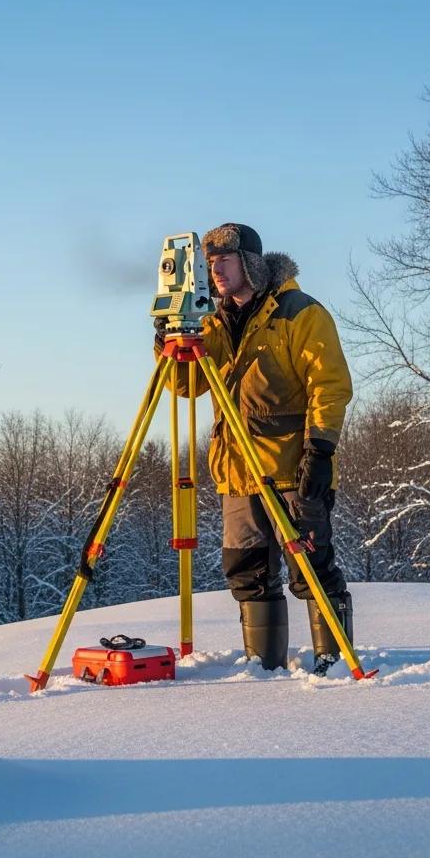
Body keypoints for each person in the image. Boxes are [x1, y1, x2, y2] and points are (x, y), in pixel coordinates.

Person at [155, 223, 354, 674]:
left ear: (251, 263)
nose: (215, 271)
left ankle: (334, 658)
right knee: (247, 572)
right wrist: (167, 341)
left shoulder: (300, 313)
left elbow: (330, 385)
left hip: (292, 468)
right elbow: (187, 385)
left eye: (224, 260)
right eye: (209, 263)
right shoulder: (213, 322)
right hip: (237, 470)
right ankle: (264, 665)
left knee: (311, 567)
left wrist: (320, 451)